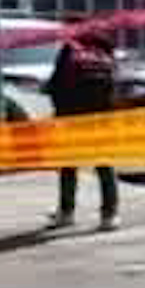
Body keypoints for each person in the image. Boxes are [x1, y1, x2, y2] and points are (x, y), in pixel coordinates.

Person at [45, 25, 121, 230]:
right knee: (105, 165)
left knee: (69, 166)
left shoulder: (71, 50)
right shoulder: (105, 52)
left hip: (72, 119)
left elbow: (54, 85)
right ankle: (110, 215)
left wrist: (58, 109)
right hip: (101, 121)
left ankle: (66, 212)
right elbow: (116, 87)